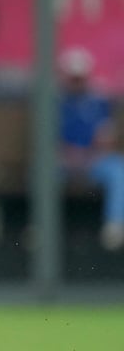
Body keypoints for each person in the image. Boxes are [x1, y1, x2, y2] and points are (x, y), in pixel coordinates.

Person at [57, 47, 124, 250]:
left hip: (93, 161)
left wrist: (95, 150)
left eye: (80, 77)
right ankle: (44, 225)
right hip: (63, 162)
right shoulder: (54, 102)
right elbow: (46, 141)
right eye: (73, 77)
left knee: (118, 169)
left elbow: (106, 137)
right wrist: (66, 154)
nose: (77, 82)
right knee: (42, 170)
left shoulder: (98, 102)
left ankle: (114, 225)